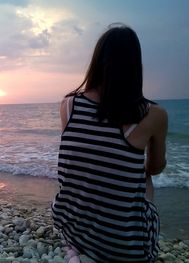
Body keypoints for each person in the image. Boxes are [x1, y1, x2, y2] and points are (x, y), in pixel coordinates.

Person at [51, 24, 168, 263]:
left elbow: (84, 155)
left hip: (71, 227)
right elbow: (155, 167)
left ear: (97, 62)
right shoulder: (154, 114)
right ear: (136, 66)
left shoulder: (69, 105)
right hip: (127, 249)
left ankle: (78, 246)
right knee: (145, 176)